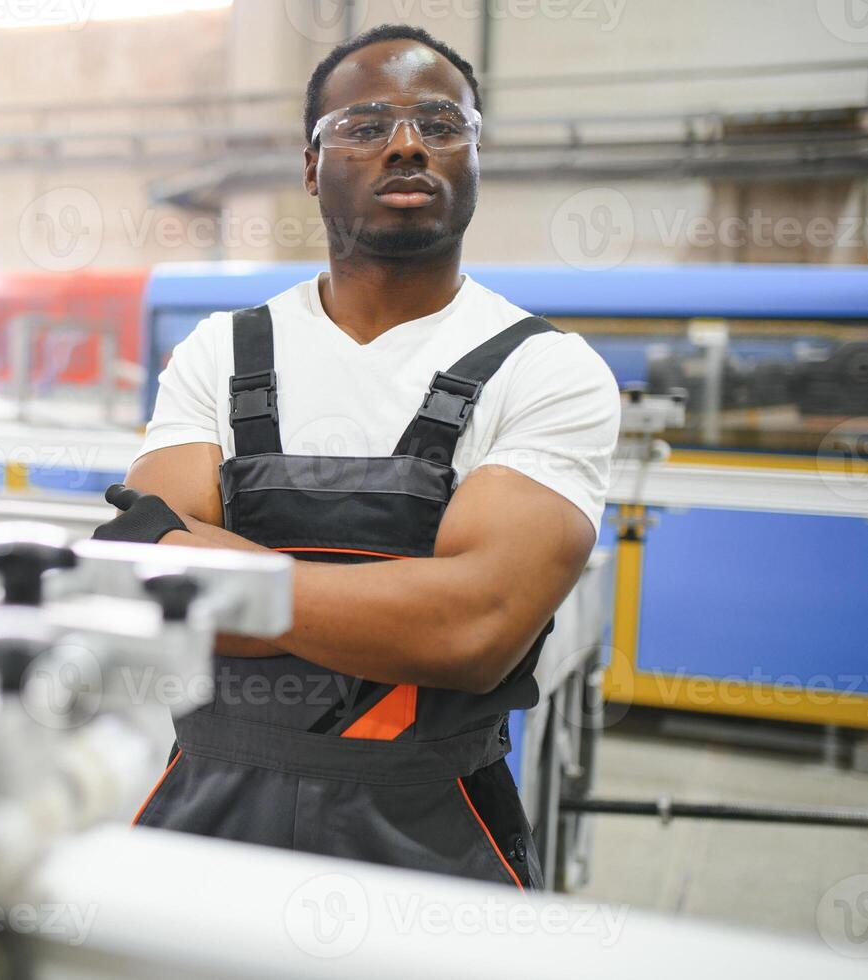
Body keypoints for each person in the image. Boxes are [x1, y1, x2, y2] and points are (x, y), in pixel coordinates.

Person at [93, 24, 620, 892]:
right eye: (365, 126)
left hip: (429, 838)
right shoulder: (220, 352)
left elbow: (470, 631)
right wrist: (396, 597)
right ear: (310, 167)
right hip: (203, 821)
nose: (407, 143)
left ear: (475, 157)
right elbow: (150, 594)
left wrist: (218, 561)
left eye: (441, 124)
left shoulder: (546, 369)